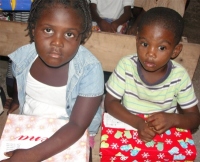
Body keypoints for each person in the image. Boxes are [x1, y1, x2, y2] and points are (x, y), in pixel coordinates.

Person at [1, 0, 104, 161]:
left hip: (71, 129)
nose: (57, 42)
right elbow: (19, 81)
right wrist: (16, 100)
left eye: (69, 34)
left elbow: (78, 125)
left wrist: (29, 155)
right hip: (32, 120)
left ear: (81, 37)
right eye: (48, 30)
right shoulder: (23, 58)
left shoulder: (90, 69)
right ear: (33, 29)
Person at [104, 7, 200, 143]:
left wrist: (173, 119)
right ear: (137, 41)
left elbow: (194, 118)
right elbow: (110, 103)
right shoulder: (126, 66)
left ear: (175, 50)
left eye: (161, 48)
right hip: (129, 123)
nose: (150, 53)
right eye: (144, 44)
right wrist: (138, 123)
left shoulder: (179, 76)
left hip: (164, 132)